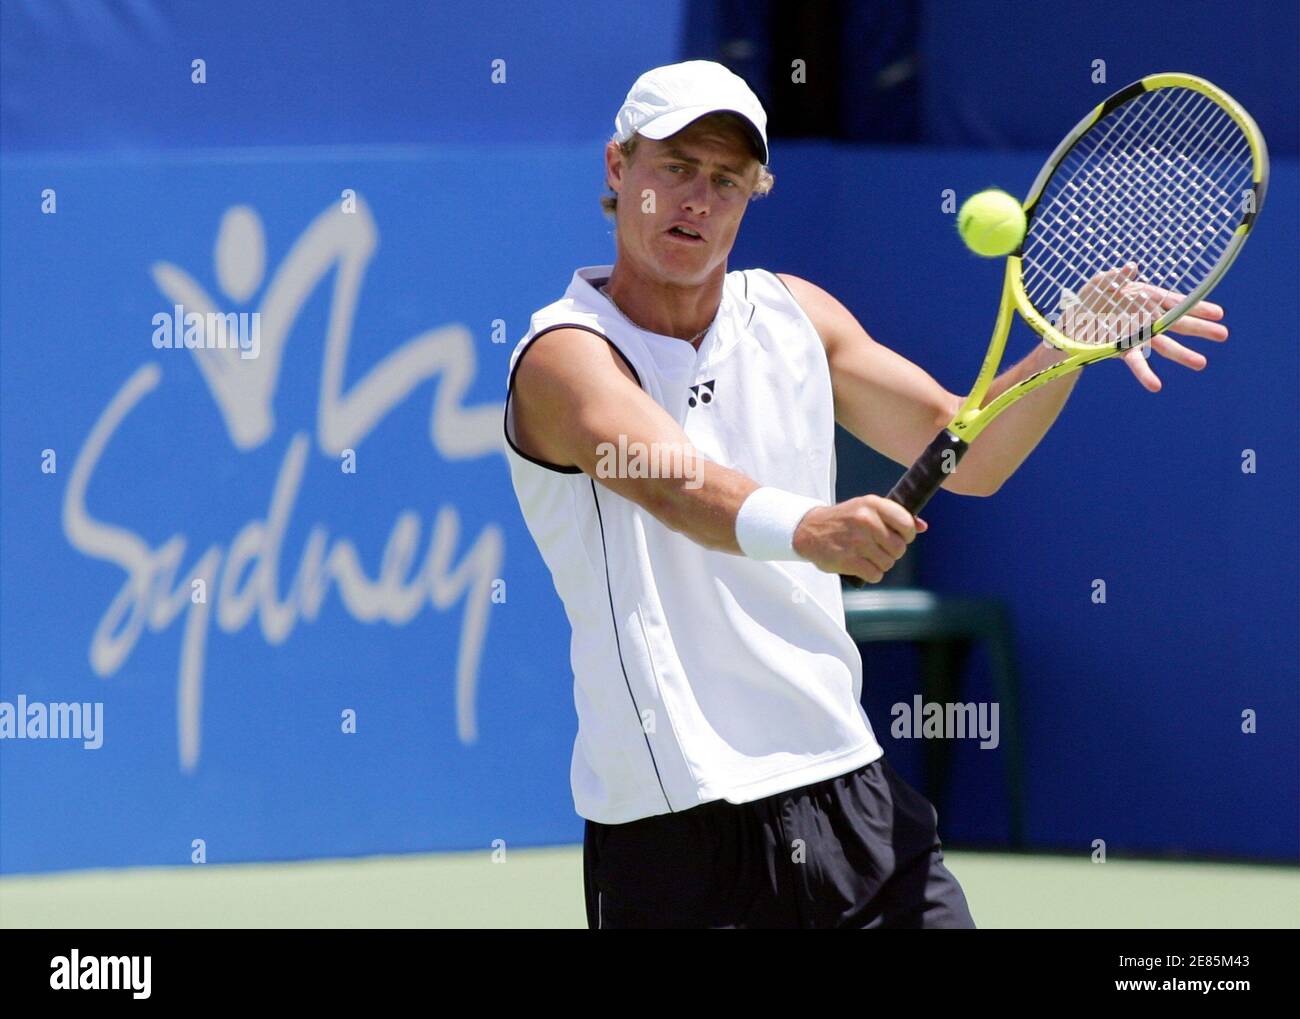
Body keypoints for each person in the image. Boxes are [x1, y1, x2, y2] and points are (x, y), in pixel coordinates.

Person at [501, 61, 1229, 929]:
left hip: (847, 787)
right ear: (620, 170)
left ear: (754, 194)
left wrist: (1064, 349)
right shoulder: (563, 357)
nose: (698, 200)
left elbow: (976, 450)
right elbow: (674, 481)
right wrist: (811, 528)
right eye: (676, 168)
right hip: (678, 825)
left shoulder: (795, 315)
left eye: (727, 180)